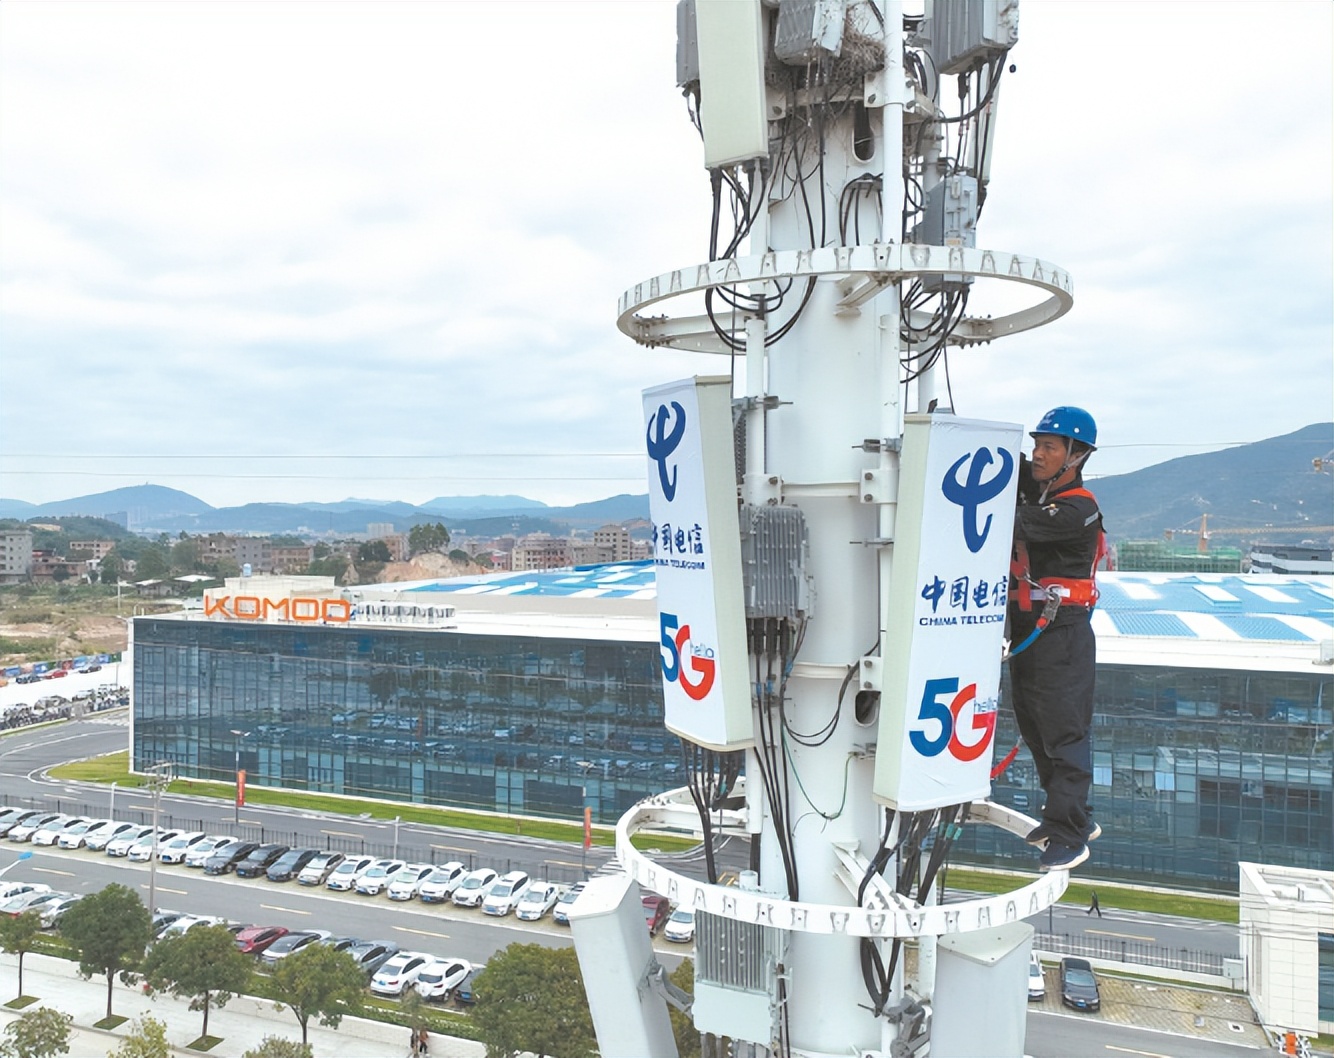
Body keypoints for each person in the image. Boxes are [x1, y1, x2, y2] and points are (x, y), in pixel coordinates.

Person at [1008, 406, 1104, 871]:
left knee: (1063, 734)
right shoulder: (1045, 495)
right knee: (1035, 728)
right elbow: (1016, 477)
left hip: (1061, 632)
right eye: (1036, 445)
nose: (1038, 454)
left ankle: (1069, 833)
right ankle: (1067, 815)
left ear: (1075, 455)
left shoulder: (1076, 509)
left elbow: (1013, 522)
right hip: (1031, 630)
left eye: (1049, 447)